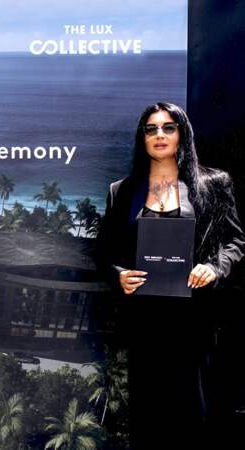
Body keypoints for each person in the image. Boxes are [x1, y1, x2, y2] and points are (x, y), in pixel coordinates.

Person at [98, 102, 244, 449]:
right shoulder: (122, 191)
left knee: (195, 416)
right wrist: (119, 275)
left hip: (196, 322)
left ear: (182, 134)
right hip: (145, 324)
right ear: (142, 138)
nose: (159, 135)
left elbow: (235, 242)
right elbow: (105, 251)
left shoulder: (214, 183)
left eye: (168, 127)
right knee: (149, 418)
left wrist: (213, 268)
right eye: (151, 129)